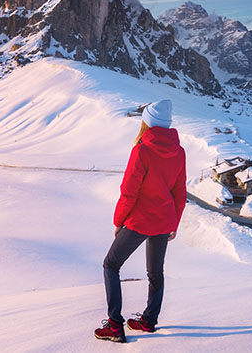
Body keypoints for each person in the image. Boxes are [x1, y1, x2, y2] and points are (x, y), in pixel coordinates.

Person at [94, 99, 187, 343]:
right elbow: (180, 192)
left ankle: (115, 325)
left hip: (139, 221)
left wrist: (118, 221)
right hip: (164, 221)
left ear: (147, 123)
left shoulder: (142, 150)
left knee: (111, 265)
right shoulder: (179, 152)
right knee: (155, 272)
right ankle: (148, 321)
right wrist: (174, 224)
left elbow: (129, 192)